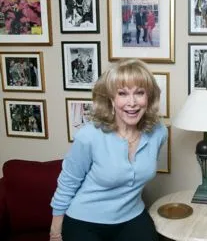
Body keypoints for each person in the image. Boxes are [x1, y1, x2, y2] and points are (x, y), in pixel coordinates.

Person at [49, 59, 168, 241]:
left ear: (149, 97)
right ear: (111, 99)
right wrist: (56, 231)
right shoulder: (88, 135)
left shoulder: (158, 132)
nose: (132, 102)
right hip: (84, 220)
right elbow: (68, 182)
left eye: (139, 93)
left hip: (132, 216)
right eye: (122, 93)